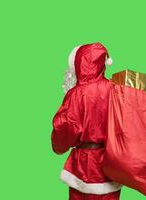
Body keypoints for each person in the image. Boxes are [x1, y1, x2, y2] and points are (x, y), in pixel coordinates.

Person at [51, 43, 121, 200]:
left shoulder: (75, 94)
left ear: (79, 62)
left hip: (83, 165)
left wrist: (57, 145)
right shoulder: (116, 89)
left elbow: (65, 127)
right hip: (111, 162)